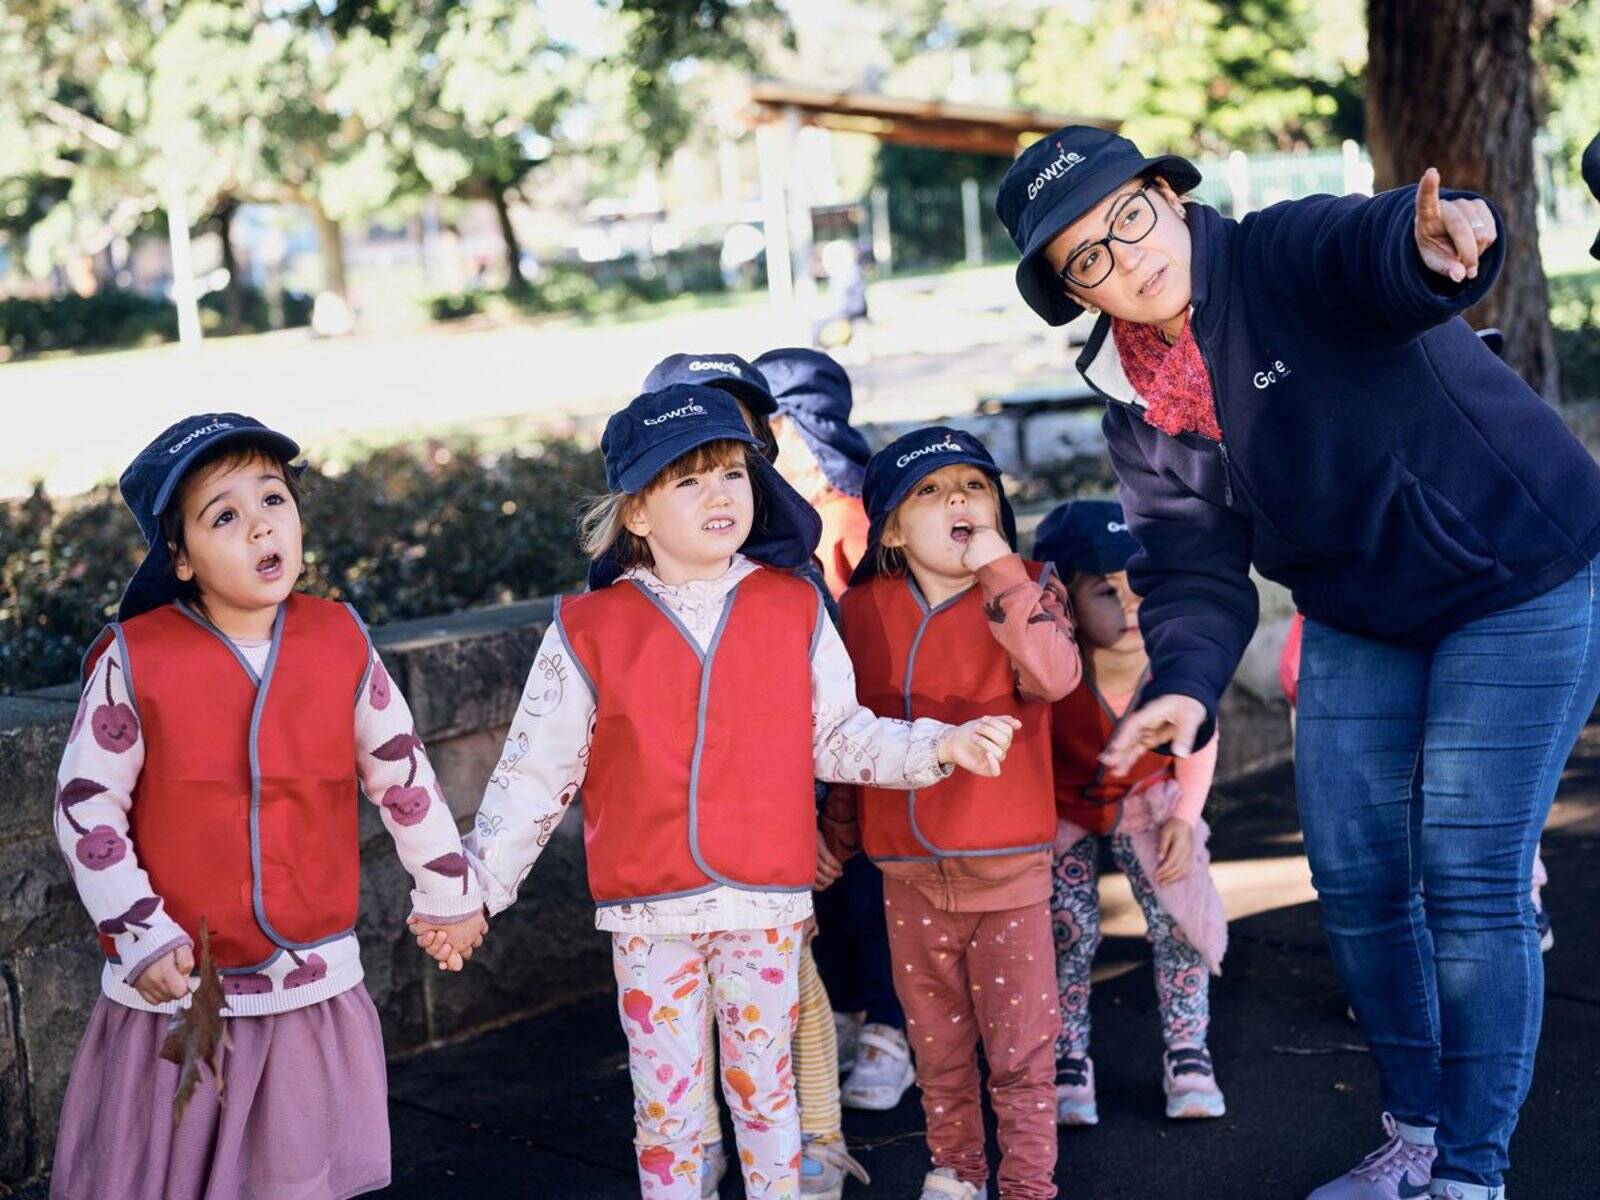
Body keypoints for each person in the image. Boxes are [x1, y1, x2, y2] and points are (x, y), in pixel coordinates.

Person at [997, 124, 1600, 1200]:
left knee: (1467, 872)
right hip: (1361, 608)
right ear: (1069, 288)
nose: (1125, 257)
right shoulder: (1135, 400)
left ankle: (1470, 1173)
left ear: (1169, 198)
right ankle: (1414, 1134)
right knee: (1358, 880)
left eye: (1128, 217)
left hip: (1515, 567)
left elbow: (1374, 250)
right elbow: (1190, 565)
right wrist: (1180, 688)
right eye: (1086, 256)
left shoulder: (1276, 255)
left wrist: (1437, 237)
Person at [444, 386, 1020, 1198]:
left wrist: (941, 744)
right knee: (669, 1115)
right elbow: (537, 773)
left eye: (732, 475)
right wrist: (476, 892)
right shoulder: (587, 628)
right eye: (688, 480)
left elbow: (841, 735)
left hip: (765, 907)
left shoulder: (794, 605)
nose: (719, 494)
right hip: (652, 916)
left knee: (766, 1098)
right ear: (635, 513)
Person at [50, 414, 485, 1200]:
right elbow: (86, 806)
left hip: (304, 978)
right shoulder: (135, 656)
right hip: (180, 988)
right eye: (224, 515)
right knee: (169, 1172)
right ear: (178, 558)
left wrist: (449, 893)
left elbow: (402, 774)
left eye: (273, 499)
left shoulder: (339, 638)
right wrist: (137, 931)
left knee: (294, 1172)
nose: (259, 526)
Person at [827, 427, 1081, 1200]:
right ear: (893, 531)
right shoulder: (863, 609)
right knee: (936, 1047)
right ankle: (957, 1170)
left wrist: (1001, 569)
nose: (958, 500)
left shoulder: (1027, 585)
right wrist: (836, 837)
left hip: (1008, 874)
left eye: (972, 485)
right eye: (930, 492)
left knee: (1021, 1052)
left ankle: (1029, 1185)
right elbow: (847, 736)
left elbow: (1056, 676)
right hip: (907, 874)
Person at [756, 347, 916, 1118]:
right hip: (817, 762)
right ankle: (855, 1018)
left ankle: (890, 1027)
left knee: (871, 893)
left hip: (872, 747)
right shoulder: (772, 526)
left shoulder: (855, 520)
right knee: (835, 900)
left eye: (768, 425)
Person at [1034, 499, 1228, 1126]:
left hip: (1149, 801)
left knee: (1179, 914)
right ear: (1062, 598)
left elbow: (1200, 735)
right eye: (1105, 591)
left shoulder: (1175, 659)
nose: (1131, 605)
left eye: (1139, 584)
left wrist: (1184, 816)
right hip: (1062, 808)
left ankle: (1188, 1051)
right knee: (1065, 927)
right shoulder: (1049, 673)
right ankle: (1067, 1058)